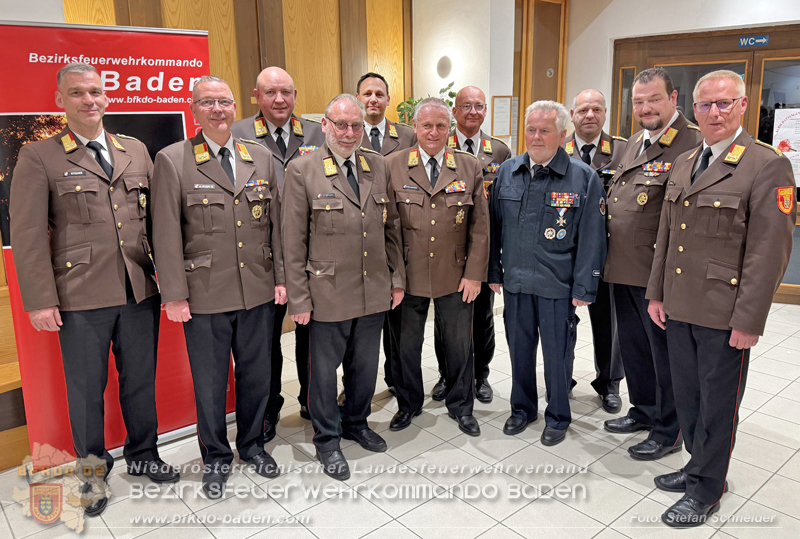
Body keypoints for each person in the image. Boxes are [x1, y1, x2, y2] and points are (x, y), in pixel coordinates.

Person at [9, 62, 179, 517]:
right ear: (60, 100)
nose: (89, 100)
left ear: (107, 97)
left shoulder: (135, 149)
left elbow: (157, 221)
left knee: (140, 382)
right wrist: (41, 299)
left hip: (138, 288)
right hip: (80, 294)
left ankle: (144, 455)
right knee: (86, 390)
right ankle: (92, 475)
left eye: (96, 92)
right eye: (78, 93)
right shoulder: (40, 156)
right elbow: (27, 234)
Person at [646, 70, 795, 527]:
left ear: (743, 105)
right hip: (679, 304)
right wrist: (656, 293)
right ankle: (697, 466)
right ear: (693, 108)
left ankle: (706, 490)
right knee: (688, 398)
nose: (714, 112)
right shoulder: (687, 160)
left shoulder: (766, 164)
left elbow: (769, 252)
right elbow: (667, 237)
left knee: (717, 404)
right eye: (706, 104)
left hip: (723, 312)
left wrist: (749, 320)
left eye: (724, 103)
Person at [151, 76, 285, 498]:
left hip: (258, 289)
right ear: (194, 110)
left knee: (257, 376)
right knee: (210, 382)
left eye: (224, 102)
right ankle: (215, 456)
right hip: (204, 292)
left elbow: (276, 226)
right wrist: (173, 293)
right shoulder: (173, 160)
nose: (218, 110)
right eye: (208, 103)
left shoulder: (259, 157)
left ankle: (252, 445)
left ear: (235, 107)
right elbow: (166, 233)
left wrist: (281, 278)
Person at [282, 94, 404, 481]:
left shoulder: (377, 165)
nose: (350, 133)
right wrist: (298, 299)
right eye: (341, 125)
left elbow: (392, 228)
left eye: (355, 126)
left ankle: (356, 421)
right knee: (323, 371)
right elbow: (292, 241)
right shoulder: (302, 170)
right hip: (327, 292)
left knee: (365, 365)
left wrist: (396, 279)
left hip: (373, 289)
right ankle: (327, 437)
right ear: (325, 124)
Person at [489, 100, 606, 446]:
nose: (536, 137)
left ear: (563, 133)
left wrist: (585, 286)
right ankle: (522, 409)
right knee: (519, 350)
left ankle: (557, 415)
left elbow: (592, 238)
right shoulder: (508, 171)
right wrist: (494, 271)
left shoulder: (582, 176)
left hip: (558, 284)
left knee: (558, 355)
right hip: (516, 283)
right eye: (531, 129)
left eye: (545, 130)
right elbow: (494, 229)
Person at [603, 68, 703, 460]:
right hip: (624, 269)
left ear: (673, 98)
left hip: (660, 277)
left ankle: (668, 430)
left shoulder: (692, 144)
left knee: (666, 357)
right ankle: (643, 410)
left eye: (653, 99)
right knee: (635, 350)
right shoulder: (631, 144)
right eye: (638, 101)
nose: (645, 108)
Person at [386, 97, 489, 435]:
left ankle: (461, 406)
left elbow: (480, 225)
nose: (433, 132)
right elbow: (388, 227)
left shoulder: (469, 166)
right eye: (426, 125)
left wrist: (475, 274)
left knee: (460, 345)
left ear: (450, 129)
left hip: (455, 273)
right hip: (408, 275)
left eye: (440, 125)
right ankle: (408, 404)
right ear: (414, 127)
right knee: (405, 347)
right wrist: (393, 277)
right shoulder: (394, 165)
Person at [231, 66, 325, 435]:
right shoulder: (237, 133)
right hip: (261, 256)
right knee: (264, 341)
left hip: (311, 253)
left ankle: (311, 399)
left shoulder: (318, 133)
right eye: (270, 93)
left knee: (312, 334)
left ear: (295, 94)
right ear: (256, 96)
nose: (279, 99)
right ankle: (268, 407)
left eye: (286, 92)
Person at [428, 86, 511, 404]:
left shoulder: (499, 152)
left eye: (479, 106)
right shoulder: (438, 145)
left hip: (484, 247)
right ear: (455, 110)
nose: (473, 111)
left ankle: (481, 376)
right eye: (466, 106)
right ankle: (446, 375)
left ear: (486, 110)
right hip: (447, 246)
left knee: (482, 316)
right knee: (445, 318)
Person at [345, 72, 416, 400]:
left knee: (397, 326)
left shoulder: (407, 136)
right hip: (357, 244)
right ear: (358, 98)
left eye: (379, 93)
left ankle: (395, 381)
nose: (373, 99)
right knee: (358, 328)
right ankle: (354, 387)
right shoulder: (346, 133)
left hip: (397, 234)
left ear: (388, 99)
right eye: (367, 93)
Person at [564, 88, 627, 413]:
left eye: (596, 109)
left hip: (610, 256)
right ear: (572, 114)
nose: (589, 115)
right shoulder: (557, 150)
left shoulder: (624, 152)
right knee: (562, 324)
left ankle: (609, 384)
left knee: (609, 325)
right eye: (583, 109)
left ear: (605, 113)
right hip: (566, 256)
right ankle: (562, 380)